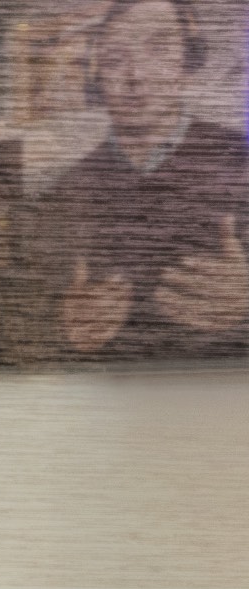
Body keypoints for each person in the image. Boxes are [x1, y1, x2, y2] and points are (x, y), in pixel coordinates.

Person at [42, 0, 249, 360]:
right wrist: (66, 330)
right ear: (97, 79)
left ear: (188, 63)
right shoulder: (66, 188)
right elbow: (23, 318)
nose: (136, 75)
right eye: (115, 59)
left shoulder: (241, 161)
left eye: (159, 48)